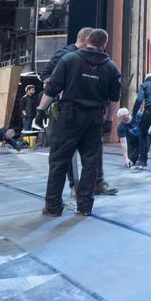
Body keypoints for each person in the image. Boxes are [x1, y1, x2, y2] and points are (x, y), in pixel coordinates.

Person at [37, 28, 121, 217]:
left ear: (87, 39)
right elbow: (115, 98)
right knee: (91, 163)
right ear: (104, 45)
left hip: (68, 117)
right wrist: (108, 120)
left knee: (59, 161)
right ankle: (85, 207)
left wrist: (40, 110)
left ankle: (53, 207)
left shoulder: (69, 60)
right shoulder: (111, 68)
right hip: (94, 120)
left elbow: (51, 88)